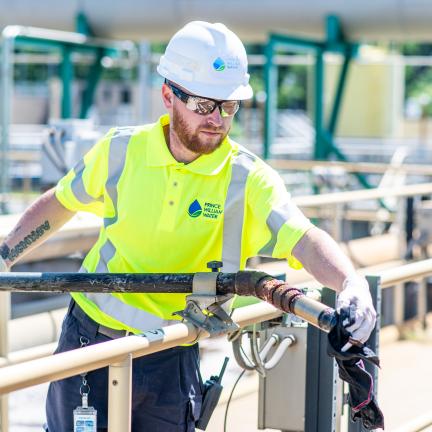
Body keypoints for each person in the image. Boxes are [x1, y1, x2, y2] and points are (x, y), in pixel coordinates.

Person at [0, 21, 376, 432]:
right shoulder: (120, 151)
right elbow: (61, 202)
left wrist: (350, 285)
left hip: (171, 352)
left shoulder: (247, 178)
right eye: (203, 105)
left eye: (229, 106)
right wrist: (5, 254)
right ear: (168, 96)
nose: (216, 119)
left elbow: (303, 238)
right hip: (89, 344)